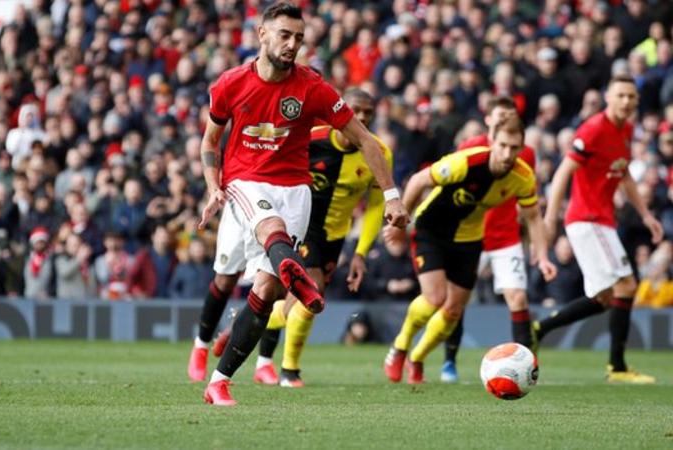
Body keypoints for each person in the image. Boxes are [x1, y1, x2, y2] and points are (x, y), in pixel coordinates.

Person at [198, 2, 405, 406]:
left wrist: (393, 195)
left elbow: (366, 140)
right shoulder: (230, 83)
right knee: (269, 228)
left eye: (298, 38)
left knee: (268, 289)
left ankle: (218, 381)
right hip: (244, 180)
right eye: (284, 35)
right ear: (262, 34)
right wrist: (213, 185)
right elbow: (210, 142)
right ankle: (296, 270)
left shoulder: (313, 89)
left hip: (295, 191)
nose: (292, 45)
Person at [209, 89, 394, 388]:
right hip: (301, 224)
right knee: (312, 292)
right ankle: (289, 372)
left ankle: (242, 328)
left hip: (336, 235)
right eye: (355, 110)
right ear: (342, 110)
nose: (361, 118)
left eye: (368, 113)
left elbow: (375, 206)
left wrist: (360, 251)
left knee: (286, 299)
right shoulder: (311, 138)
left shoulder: (378, 152)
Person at [383, 114, 556, 385]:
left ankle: (416, 358)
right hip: (432, 230)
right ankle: (400, 345)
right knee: (435, 297)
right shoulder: (466, 162)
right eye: (503, 145)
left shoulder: (523, 177)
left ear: (522, 148)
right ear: (492, 142)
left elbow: (533, 217)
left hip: (470, 239)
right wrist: (399, 222)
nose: (507, 153)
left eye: (514, 148)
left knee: (453, 310)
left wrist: (543, 255)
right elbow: (418, 181)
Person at [538, 75, 663, 384]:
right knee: (627, 286)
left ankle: (540, 329)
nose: (626, 102)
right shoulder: (593, 129)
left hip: (602, 221)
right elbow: (563, 171)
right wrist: (551, 218)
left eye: (631, 97)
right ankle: (617, 367)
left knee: (606, 296)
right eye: (620, 95)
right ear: (608, 97)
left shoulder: (627, 130)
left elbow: (624, 176)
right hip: (588, 219)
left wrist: (646, 214)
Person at [440, 96, 537, 383]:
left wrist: (535, 244)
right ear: (489, 120)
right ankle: (449, 362)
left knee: (518, 297)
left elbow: (530, 201)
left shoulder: (526, 154)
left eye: (510, 116)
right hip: (470, 235)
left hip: (506, 237)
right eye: (499, 116)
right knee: (457, 301)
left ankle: (529, 368)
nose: (504, 120)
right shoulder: (470, 148)